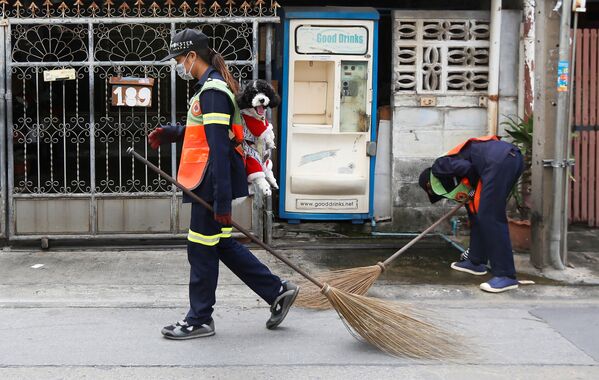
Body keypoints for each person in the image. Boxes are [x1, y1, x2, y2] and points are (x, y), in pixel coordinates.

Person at [148, 29, 299, 339]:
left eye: (179, 59)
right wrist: (172, 132)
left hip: (209, 181)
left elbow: (218, 147)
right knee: (221, 244)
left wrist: (220, 201)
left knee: (201, 248)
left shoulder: (213, 91)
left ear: (192, 56)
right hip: (207, 179)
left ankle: (199, 319)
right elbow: (205, 132)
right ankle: (277, 290)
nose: (178, 65)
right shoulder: (211, 88)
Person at [418, 135, 524, 293]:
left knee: (490, 216)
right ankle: (475, 261)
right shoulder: (453, 169)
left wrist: (474, 185)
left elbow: (468, 169)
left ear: (429, 183)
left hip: (498, 162)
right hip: (510, 159)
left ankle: (506, 275)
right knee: (477, 213)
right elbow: (469, 171)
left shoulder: (439, 166)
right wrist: (473, 190)